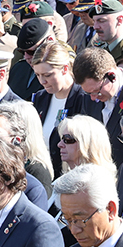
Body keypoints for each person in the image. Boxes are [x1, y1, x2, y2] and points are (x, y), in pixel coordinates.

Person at [31, 41, 103, 174]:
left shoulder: (84, 98)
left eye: (47, 75)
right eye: (37, 75)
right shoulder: (40, 98)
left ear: (64, 69)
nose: (42, 81)